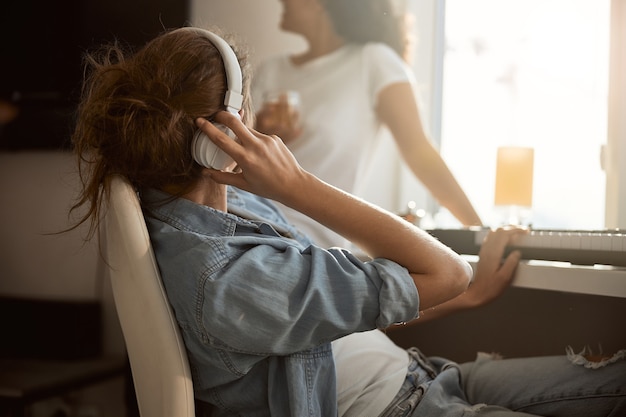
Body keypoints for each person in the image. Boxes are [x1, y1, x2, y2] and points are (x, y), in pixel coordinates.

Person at [68, 26, 626, 417]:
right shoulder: (230, 279)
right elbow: (448, 272)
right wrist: (296, 184)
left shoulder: (212, 214)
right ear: (221, 136)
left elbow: (329, 311)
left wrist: (467, 302)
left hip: (421, 373)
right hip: (400, 406)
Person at [252, 0, 482, 248]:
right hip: (245, 217)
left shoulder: (373, 61)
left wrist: (480, 233)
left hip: (303, 240)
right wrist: (261, 135)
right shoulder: (271, 70)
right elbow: (230, 161)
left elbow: (419, 152)